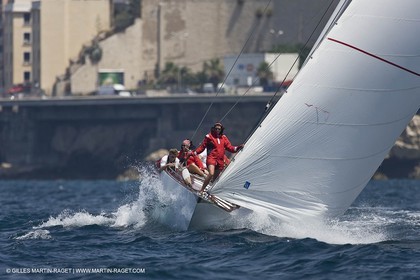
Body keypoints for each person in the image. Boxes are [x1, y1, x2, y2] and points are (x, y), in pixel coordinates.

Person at [194, 122, 244, 194]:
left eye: (219, 129)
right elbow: (202, 147)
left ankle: (211, 193)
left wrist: (238, 147)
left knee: (215, 179)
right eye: (216, 129)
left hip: (220, 161)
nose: (217, 130)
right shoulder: (209, 136)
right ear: (214, 129)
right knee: (211, 173)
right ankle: (201, 190)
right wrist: (194, 153)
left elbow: (230, 148)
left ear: (221, 130)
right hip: (211, 158)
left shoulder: (224, 137)